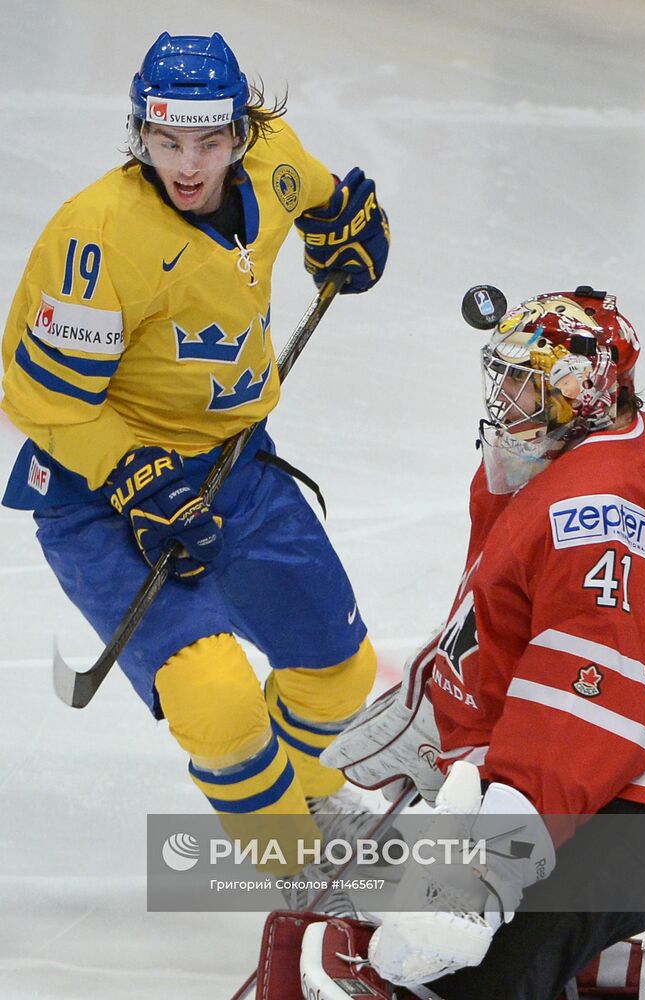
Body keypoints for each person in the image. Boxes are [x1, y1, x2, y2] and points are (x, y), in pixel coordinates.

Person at [0, 33, 390, 838]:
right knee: (216, 699)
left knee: (340, 676)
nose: (187, 165)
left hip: (234, 467)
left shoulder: (274, 162)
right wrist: (134, 475)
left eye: (209, 143)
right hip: (101, 499)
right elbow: (39, 399)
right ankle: (291, 864)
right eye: (167, 141)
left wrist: (345, 232)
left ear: (240, 135)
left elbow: (324, 201)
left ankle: (309, 794)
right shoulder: (97, 238)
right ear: (140, 130)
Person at [321, 286, 645, 999]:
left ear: (582, 392)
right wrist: (452, 716)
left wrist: (492, 866)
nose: (505, 397)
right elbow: (510, 618)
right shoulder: (595, 451)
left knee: (473, 977)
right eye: (505, 375)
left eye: (525, 380)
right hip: (602, 787)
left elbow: (584, 702)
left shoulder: (597, 508)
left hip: (633, 805)